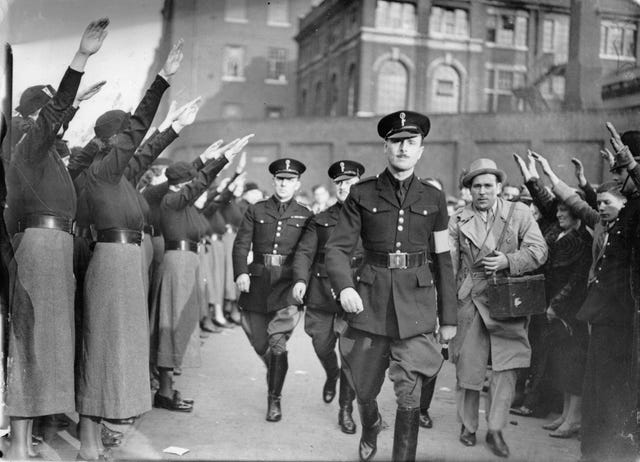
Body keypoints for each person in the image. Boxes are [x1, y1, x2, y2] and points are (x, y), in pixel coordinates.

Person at [3, 19, 109, 460]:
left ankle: (33, 437)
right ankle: (21, 447)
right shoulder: (27, 145)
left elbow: (61, 127)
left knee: (47, 344)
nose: (58, 121)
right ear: (32, 117)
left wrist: (76, 105)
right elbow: (50, 119)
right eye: (53, 114)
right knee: (30, 344)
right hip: (39, 250)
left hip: (55, 251)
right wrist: (80, 60)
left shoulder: (47, 155)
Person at [325, 110, 457, 462]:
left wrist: (449, 318)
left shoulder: (433, 198)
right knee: (364, 386)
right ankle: (370, 424)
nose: (403, 149)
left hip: (416, 305)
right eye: (396, 142)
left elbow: (443, 259)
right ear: (386, 147)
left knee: (409, 392)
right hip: (370, 301)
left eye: (410, 143)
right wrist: (345, 287)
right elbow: (337, 248)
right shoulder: (362, 193)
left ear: (420, 149)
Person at [76, 39, 183, 461]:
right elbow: (137, 133)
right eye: (125, 140)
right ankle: (87, 442)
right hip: (112, 263)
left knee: (116, 349)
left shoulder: (118, 176)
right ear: (111, 141)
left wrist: (174, 129)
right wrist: (160, 82)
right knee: (102, 348)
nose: (131, 147)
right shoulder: (103, 171)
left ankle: (103, 430)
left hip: (125, 265)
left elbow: (147, 146)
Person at [532, 135, 640, 461]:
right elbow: (578, 204)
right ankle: (593, 450)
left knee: (612, 392)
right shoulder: (616, 219)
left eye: (623, 172)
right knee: (597, 387)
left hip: (622, 319)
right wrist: (548, 176)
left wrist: (630, 162)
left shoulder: (632, 215)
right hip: (603, 315)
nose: (602, 207)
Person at [449, 158, 547, 459]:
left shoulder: (518, 213)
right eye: (476, 186)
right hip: (470, 297)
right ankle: (468, 425)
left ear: (499, 187)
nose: (482, 192)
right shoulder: (458, 219)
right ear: (469, 190)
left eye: (488, 186)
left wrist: (509, 261)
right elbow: (448, 263)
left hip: (507, 296)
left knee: (507, 366)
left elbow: (540, 250)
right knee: (468, 365)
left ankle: (495, 430)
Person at [232, 157, 313, 422]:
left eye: (289, 180)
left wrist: (301, 281)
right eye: (280, 179)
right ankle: (276, 368)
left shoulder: (305, 214)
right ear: (274, 181)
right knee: (259, 342)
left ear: (297, 184)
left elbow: (304, 253)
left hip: (286, 285)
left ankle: (274, 400)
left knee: (277, 343)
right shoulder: (256, 210)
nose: (284, 184)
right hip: (256, 282)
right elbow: (241, 244)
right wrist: (241, 272)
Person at [291, 160, 364, 435]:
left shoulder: (370, 218)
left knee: (351, 355)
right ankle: (330, 373)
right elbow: (304, 254)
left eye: (350, 181)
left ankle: (345, 410)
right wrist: (299, 280)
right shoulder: (320, 220)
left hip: (356, 295)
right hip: (322, 294)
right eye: (340, 182)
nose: (345, 186)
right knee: (322, 345)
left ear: (358, 183)